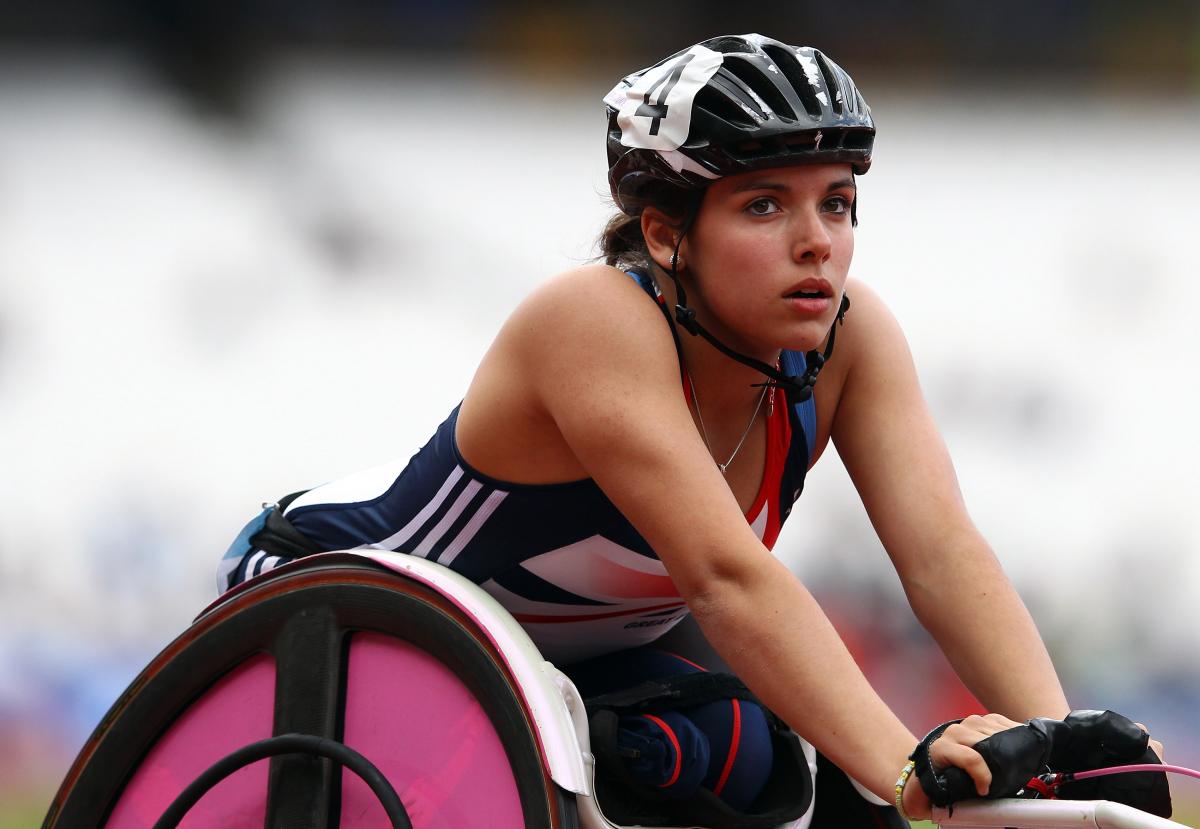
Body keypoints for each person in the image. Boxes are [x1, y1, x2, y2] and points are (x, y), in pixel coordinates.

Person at [217, 34, 1165, 827]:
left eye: (836, 202)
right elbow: (725, 577)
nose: (816, 241)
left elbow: (943, 555)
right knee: (741, 762)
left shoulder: (852, 338)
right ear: (667, 232)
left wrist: (1067, 745)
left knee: (756, 763)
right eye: (765, 205)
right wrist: (906, 767)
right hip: (340, 606)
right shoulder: (592, 320)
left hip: (560, 658)